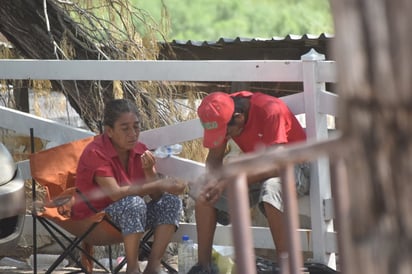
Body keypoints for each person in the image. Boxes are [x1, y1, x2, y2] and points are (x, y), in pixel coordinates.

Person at [188, 91, 309, 274]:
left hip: (294, 166)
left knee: (271, 190)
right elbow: (214, 158)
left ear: (239, 117)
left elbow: (277, 166)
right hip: (256, 167)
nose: (224, 136)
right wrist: (212, 181)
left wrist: (229, 181)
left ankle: (288, 267)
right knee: (203, 193)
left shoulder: (270, 110)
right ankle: (203, 267)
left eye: (226, 131)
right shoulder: (222, 110)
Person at [71, 99, 186, 274]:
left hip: (129, 219)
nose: (133, 134)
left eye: (136, 127)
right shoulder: (96, 152)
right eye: (125, 128)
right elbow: (115, 194)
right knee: (133, 203)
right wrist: (160, 183)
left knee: (170, 202)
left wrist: (150, 174)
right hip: (96, 220)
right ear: (109, 131)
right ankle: (132, 268)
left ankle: (153, 265)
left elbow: (156, 197)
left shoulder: (140, 150)